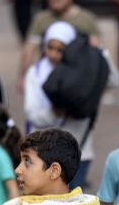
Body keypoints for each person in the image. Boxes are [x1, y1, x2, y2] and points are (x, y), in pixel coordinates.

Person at [23, 21, 106, 189]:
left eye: (60, 49)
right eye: (50, 47)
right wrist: (56, 112)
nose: (53, 54)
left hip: (79, 152)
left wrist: (99, 55)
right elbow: (32, 113)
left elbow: (112, 79)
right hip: (43, 156)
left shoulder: (85, 72)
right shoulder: (36, 72)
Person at [21, 0, 100, 93]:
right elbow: (29, 48)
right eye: (50, 1)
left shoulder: (85, 19)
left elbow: (96, 49)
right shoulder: (42, 19)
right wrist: (23, 75)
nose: (53, 4)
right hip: (48, 78)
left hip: (79, 77)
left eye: (57, 0)